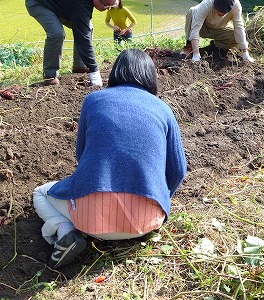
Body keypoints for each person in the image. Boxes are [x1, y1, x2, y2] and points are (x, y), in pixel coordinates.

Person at [32, 49, 187, 269]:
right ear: (151, 76)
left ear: (115, 73)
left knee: (40, 193)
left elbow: (81, 155)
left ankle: (65, 231)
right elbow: (179, 170)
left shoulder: (93, 100)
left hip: (90, 222)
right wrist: (159, 197)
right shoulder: (163, 109)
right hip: (147, 222)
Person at [25, 0, 118, 86]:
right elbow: (83, 38)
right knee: (57, 33)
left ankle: (79, 65)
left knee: (87, 27)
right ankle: (50, 75)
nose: (108, 9)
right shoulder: (81, 4)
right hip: (40, 3)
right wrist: (95, 72)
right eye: (106, 5)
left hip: (62, 5)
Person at [181, 0, 254, 62]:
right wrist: (196, 54)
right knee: (192, 11)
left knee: (234, 36)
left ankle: (215, 45)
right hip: (202, 28)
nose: (221, 13)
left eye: (224, 12)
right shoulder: (206, 4)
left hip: (219, 29)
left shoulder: (236, 6)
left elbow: (239, 28)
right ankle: (189, 47)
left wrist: (245, 52)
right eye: (219, 10)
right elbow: (195, 29)